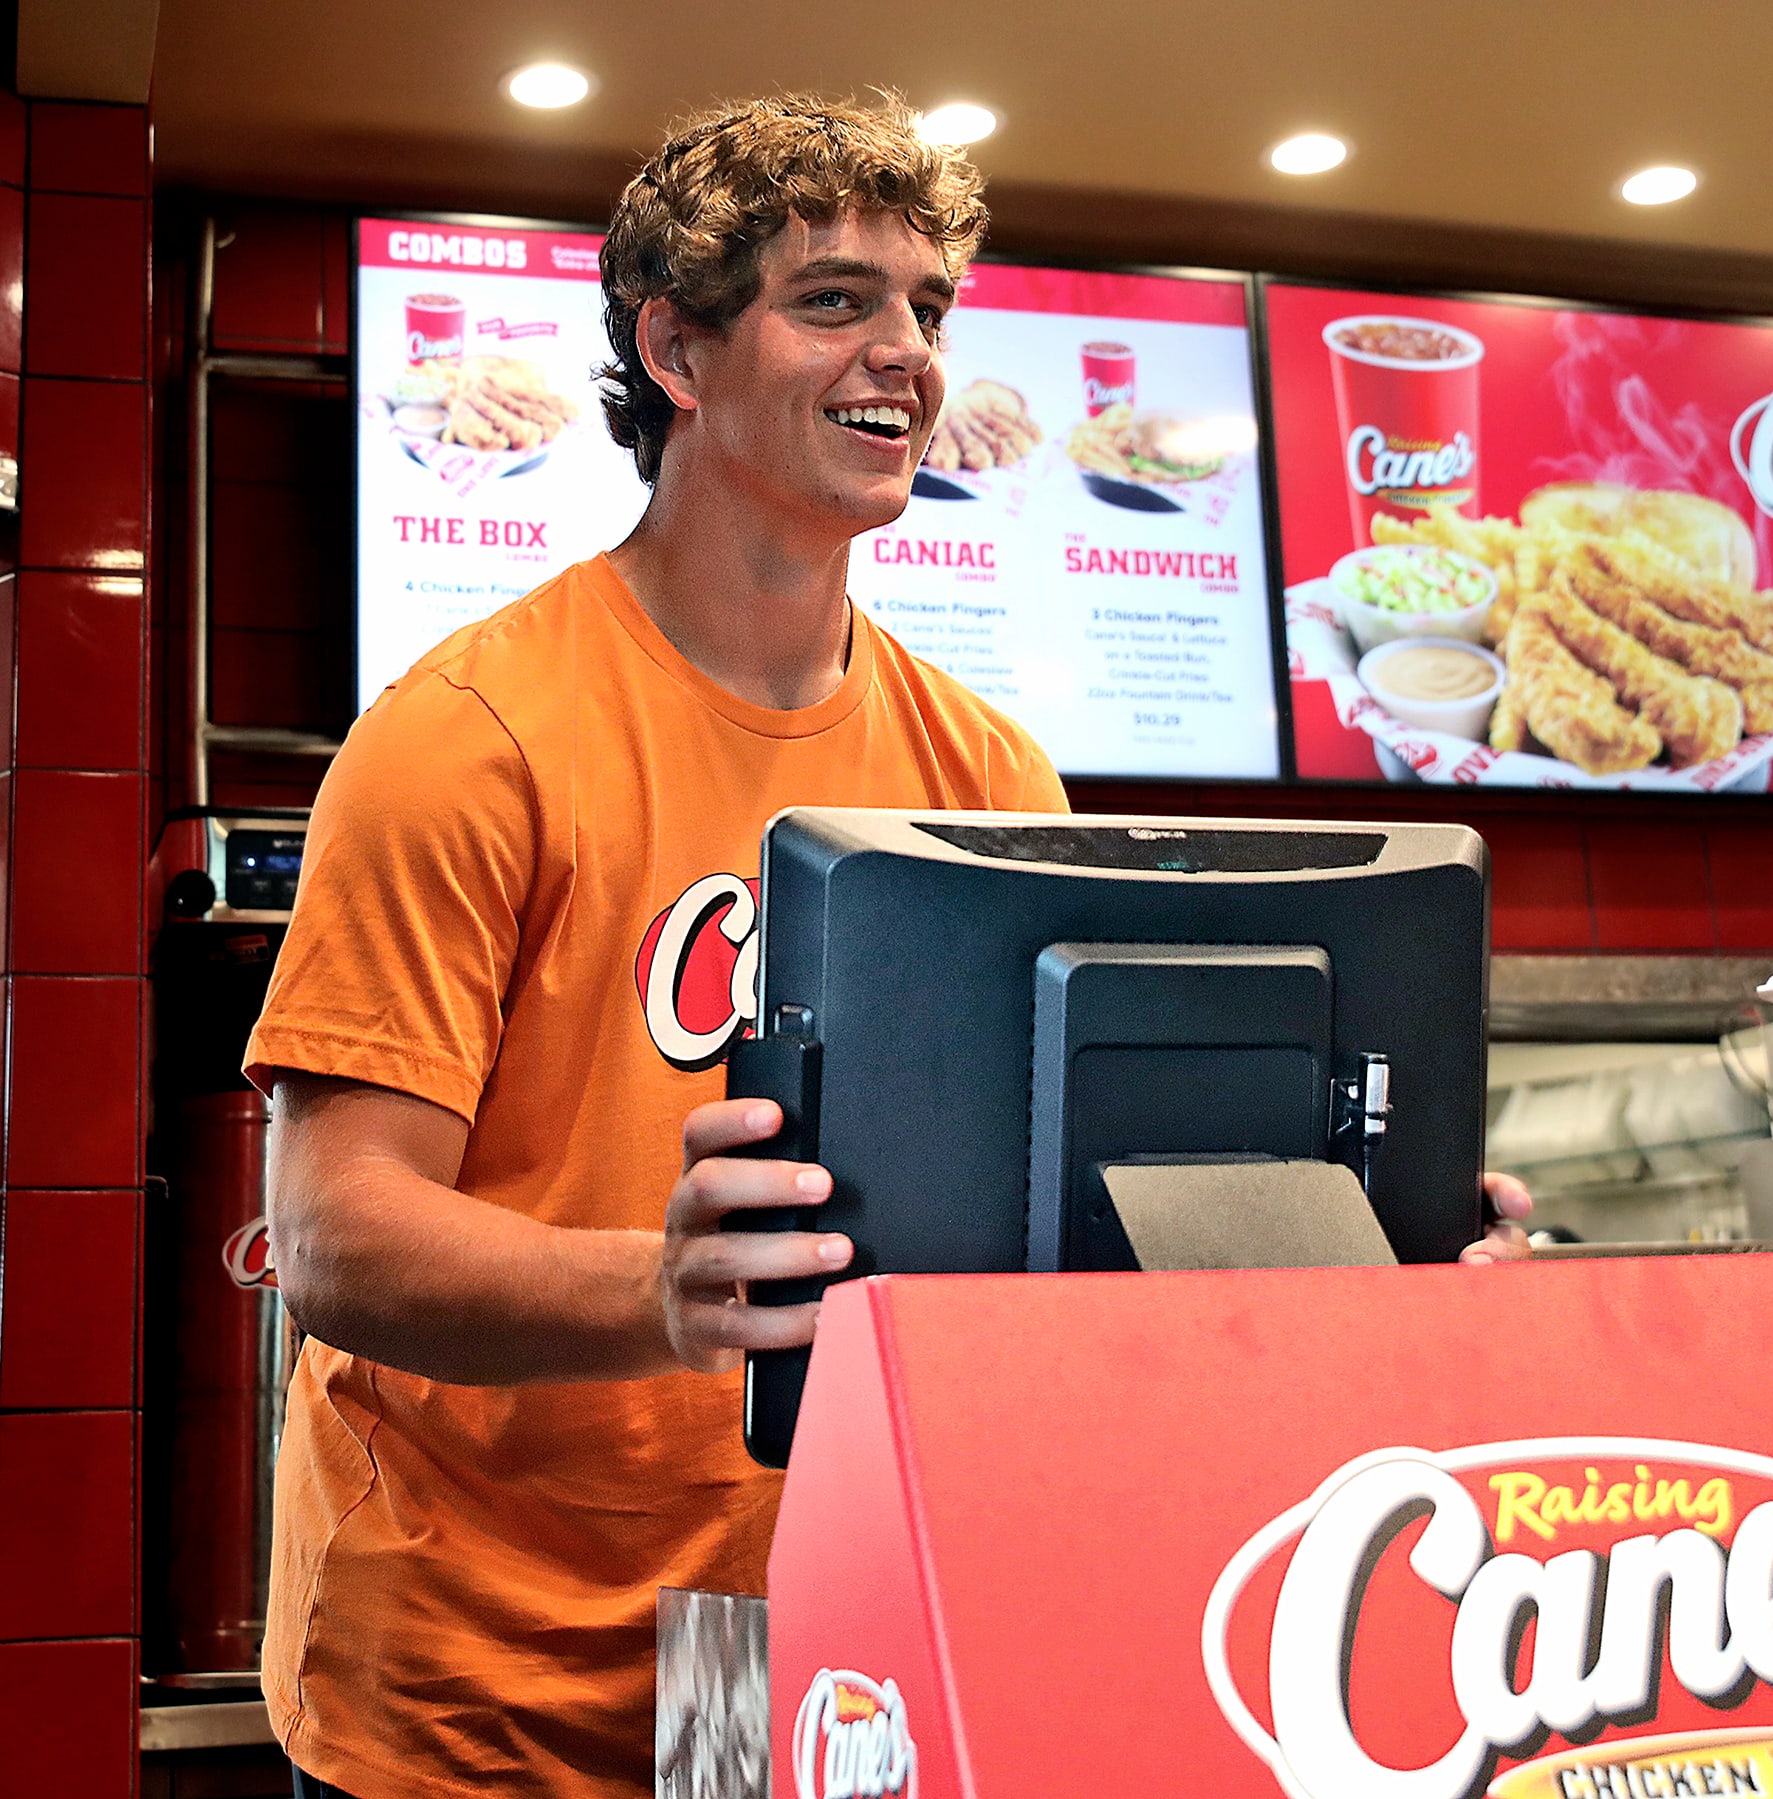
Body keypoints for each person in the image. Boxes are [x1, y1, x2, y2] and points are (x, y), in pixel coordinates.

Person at [247, 94, 1528, 1799]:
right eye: (835, 299)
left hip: (805, 1637)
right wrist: (664, 1286)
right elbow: (334, 1238)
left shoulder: (985, 778)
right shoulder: (471, 736)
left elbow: (1067, 1233)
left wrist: (1359, 1247)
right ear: (679, 352)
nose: (909, 352)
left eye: (930, 306)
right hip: (483, 1679)